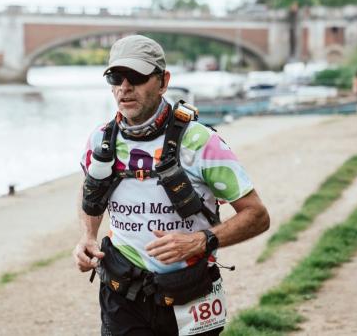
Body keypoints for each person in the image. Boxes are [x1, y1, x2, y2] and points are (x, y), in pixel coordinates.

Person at [73, 35, 270, 336]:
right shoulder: (100, 141)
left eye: (136, 77)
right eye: (115, 77)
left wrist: (201, 241)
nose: (124, 87)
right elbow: (91, 190)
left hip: (190, 294)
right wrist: (87, 235)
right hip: (122, 292)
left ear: (163, 81)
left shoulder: (202, 143)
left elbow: (257, 215)